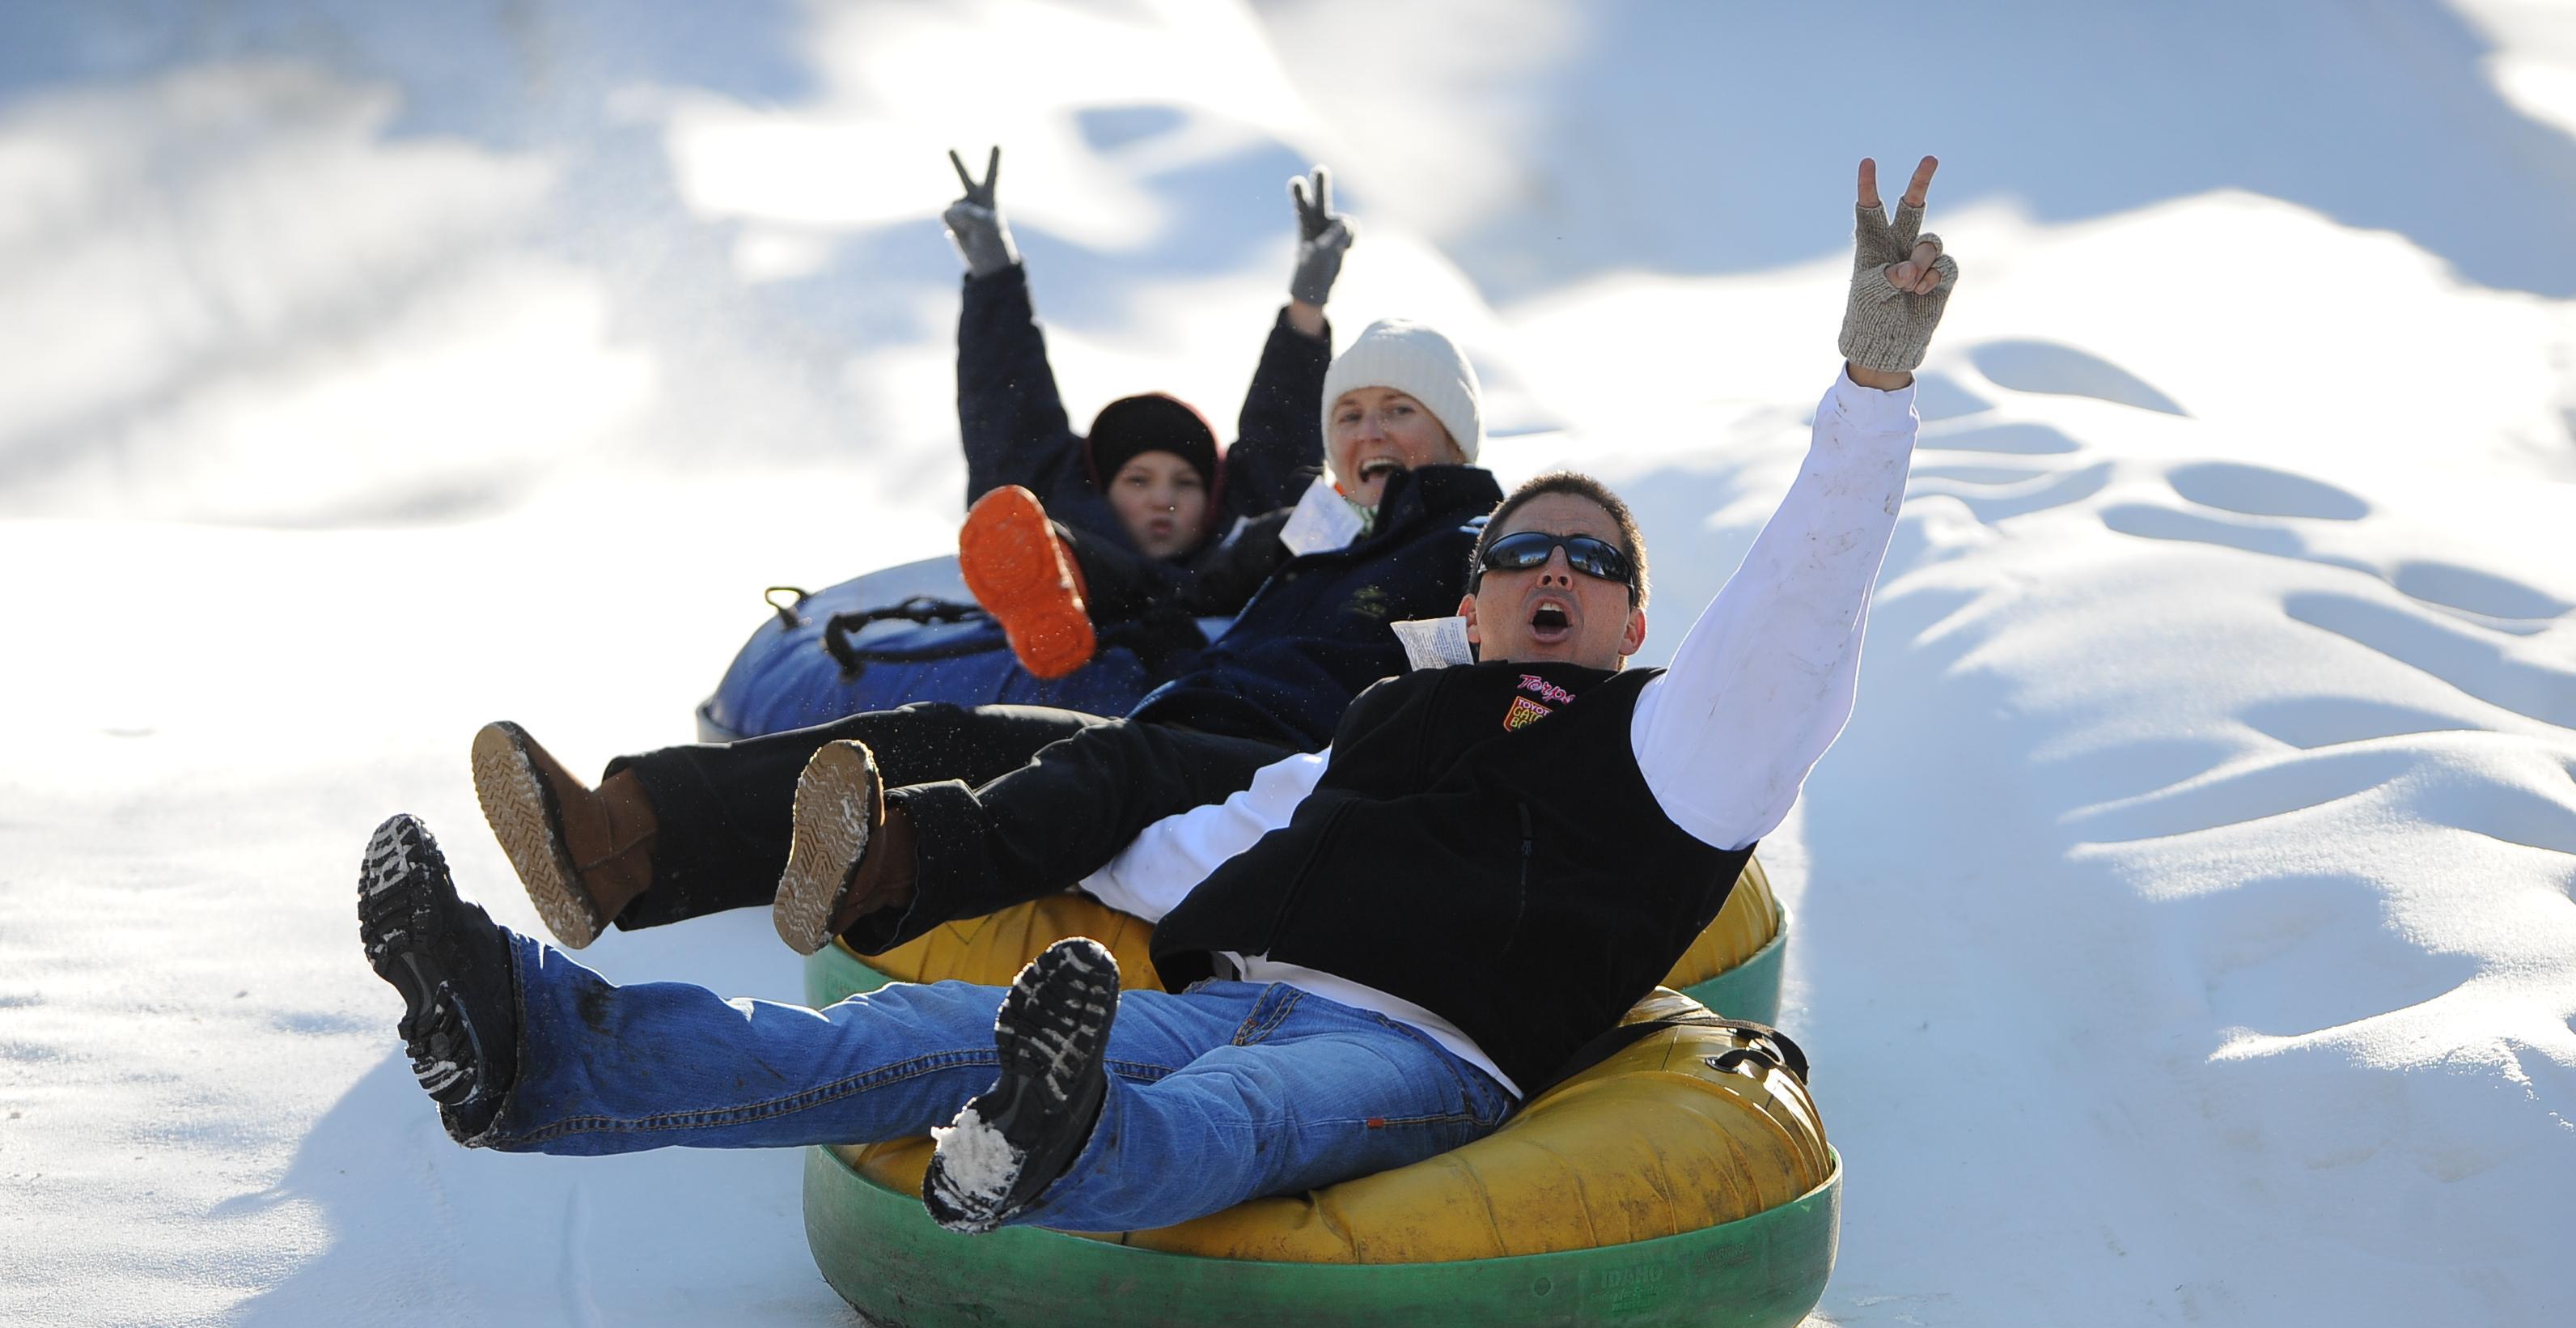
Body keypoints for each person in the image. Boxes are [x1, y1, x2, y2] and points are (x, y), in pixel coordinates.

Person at [370, 156, 1955, 1241]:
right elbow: (1214, 830)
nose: (1551, 566)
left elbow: (1796, 614)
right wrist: (981, 845)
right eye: (1523, 553)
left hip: (1420, 1047)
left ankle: (1042, 1145)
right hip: (1229, 981)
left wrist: (1870, 394)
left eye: (1587, 558)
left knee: (1248, 1110)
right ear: (1471, 603)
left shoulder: (1670, 741)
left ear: (1631, 616)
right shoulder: (1393, 717)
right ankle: (534, 1043)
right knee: (922, 1019)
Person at [476, 315, 1502, 954]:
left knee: (1115, 761)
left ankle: (888, 866)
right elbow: (1184, 582)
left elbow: (1505, 688)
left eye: (1396, 410)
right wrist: (1087, 572)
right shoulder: (1315, 538)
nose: (1367, 431)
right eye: (1349, 413)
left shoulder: (1482, 543)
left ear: (1452, 434)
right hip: (1185, 719)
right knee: (947, 728)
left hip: (1292, 770)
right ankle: (619, 837)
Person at [941, 147, 1354, 666]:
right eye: (1138, 480)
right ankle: (1045, 597)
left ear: (1214, 495)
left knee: (1296, 526)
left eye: (1186, 483)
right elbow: (1010, 404)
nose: (1164, 500)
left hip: (1230, 599)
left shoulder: (1243, 514)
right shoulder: (1062, 495)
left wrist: (1307, 304)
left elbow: (1283, 429)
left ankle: (1359, 531)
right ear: (1101, 487)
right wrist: (993, 273)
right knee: (1048, 538)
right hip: (1086, 600)